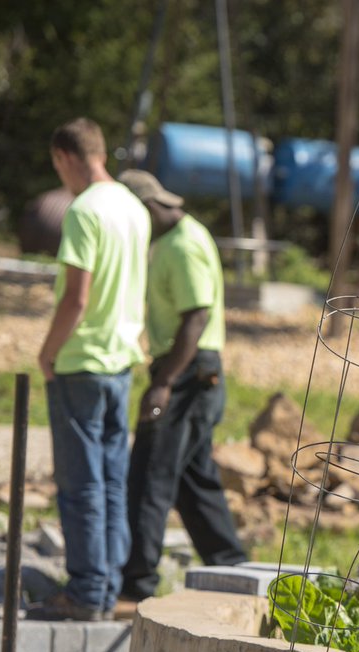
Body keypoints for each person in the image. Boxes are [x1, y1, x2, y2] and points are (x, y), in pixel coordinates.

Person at [113, 170, 248, 615]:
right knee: (193, 483)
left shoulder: (184, 244)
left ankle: (136, 586)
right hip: (190, 370)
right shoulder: (175, 238)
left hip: (188, 372)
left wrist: (163, 382)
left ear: (145, 208)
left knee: (149, 476)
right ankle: (232, 570)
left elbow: (196, 318)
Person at [32, 118, 150, 621]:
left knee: (80, 481)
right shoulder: (134, 207)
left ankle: (85, 592)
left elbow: (76, 298)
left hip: (81, 361)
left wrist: (48, 352)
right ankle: (105, 589)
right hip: (121, 360)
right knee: (111, 479)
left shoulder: (83, 211)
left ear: (64, 156)